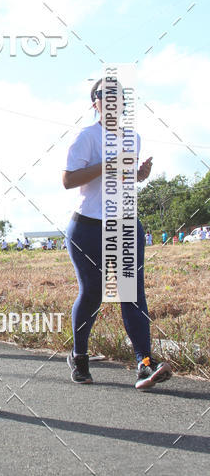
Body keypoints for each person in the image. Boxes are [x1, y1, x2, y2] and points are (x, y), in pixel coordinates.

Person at [62, 79, 171, 390]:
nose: (111, 101)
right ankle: (79, 355)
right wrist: (106, 165)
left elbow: (123, 178)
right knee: (93, 293)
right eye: (104, 96)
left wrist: (139, 175)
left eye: (118, 96)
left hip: (125, 224)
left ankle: (144, 363)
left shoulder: (132, 137)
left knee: (131, 293)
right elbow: (68, 179)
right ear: (94, 102)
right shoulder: (87, 136)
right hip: (88, 226)